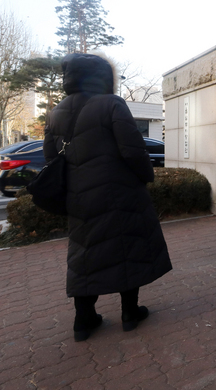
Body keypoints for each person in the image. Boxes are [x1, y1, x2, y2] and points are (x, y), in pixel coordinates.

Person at [43, 53, 172, 342]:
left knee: (84, 254)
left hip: (79, 198)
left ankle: (83, 320)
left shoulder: (55, 112)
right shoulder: (112, 104)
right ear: (102, 77)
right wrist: (145, 177)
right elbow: (133, 150)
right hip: (119, 193)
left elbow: (51, 158)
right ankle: (129, 313)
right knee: (128, 248)